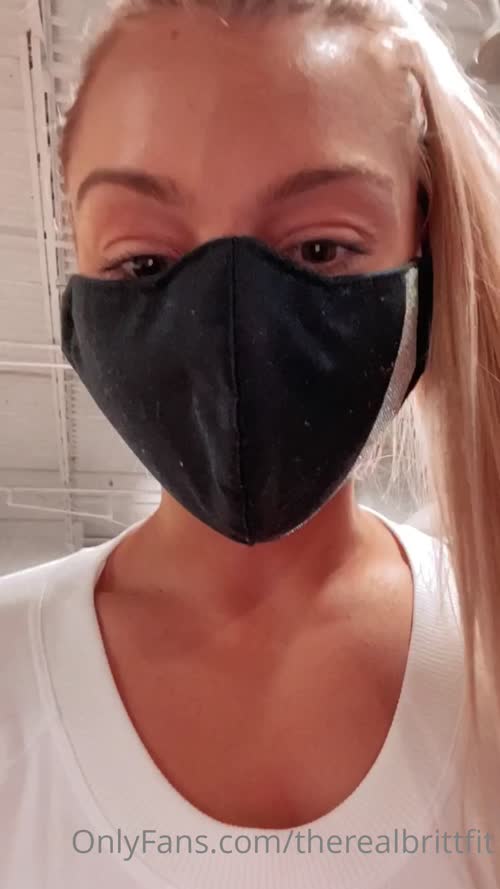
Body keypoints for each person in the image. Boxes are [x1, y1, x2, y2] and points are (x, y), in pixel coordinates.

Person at [0, 0, 499, 886]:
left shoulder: (484, 648)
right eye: (145, 263)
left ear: (424, 260)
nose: (233, 326)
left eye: (320, 248)